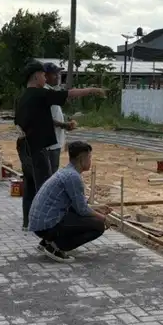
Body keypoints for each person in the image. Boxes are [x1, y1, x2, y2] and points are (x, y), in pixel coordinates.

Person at [13, 60, 105, 230]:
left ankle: (29, 222)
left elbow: (18, 122)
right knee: (45, 188)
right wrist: (92, 90)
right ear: (35, 76)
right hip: (36, 148)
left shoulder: (23, 97)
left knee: (30, 184)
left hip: (24, 147)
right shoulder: (39, 94)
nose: (45, 79)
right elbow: (69, 94)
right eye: (42, 75)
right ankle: (46, 228)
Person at [28, 140, 111, 262]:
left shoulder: (67, 172)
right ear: (81, 159)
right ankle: (56, 247)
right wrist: (103, 218)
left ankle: (46, 242)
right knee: (98, 226)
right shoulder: (73, 177)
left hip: (40, 224)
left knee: (78, 213)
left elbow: (78, 205)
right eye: (89, 157)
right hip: (46, 225)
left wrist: (97, 208)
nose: (90, 160)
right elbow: (82, 210)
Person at [43, 62, 75, 174]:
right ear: (45, 76)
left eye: (58, 74)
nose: (58, 76)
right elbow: (44, 119)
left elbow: (54, 113)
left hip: (54, 141)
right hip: (49, 144)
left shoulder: (52, 90)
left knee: (51, 172)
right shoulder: (45, 92)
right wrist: (64, 125)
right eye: (54, 74)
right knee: (50, 174)